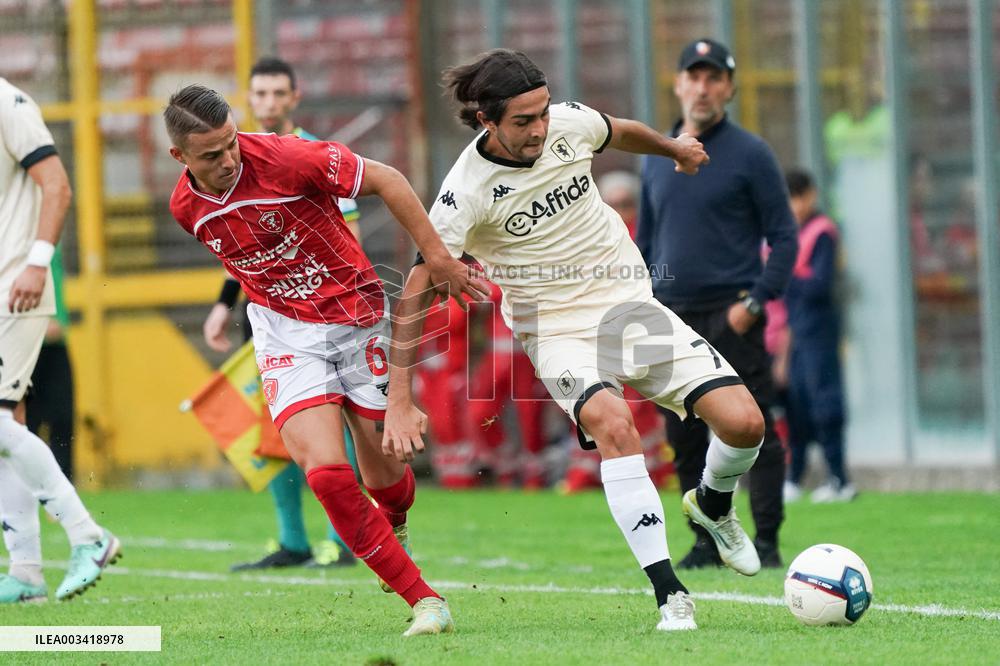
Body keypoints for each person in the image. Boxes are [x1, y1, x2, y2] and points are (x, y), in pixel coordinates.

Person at [382, 49, 767, 632]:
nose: (540, 128)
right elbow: (415, 290)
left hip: (630, 309)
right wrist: (399, 397)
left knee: (745, 424)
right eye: (523, 121)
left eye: (542, 113)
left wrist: (674, 148)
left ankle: (712, 503)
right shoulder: (465, 192)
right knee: (614, 423)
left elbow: (616, 131)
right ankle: (670, 594)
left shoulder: (565, 123)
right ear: (487, 120)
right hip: (555, 329)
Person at [165, 84, 486, 635]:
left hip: (356, 317)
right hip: (286, 338)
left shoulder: (287, 156)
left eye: (231, 144)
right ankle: (426, 600)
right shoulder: (185, 209)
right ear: (180, 158)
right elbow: (244, 256)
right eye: (211, 155)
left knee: (387, 475)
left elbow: (390, 179)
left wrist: (439, 259)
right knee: (329, 476)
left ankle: (395, 519)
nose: (227, 160)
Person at [637, 38, 798, 570]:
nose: (702, 88)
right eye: (694, 76)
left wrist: (754, 303)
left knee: (755, 431)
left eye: (714, 78)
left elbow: (785, 238)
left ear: (728, 87)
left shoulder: (751, 153)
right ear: (679, 83)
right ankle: (704, 543)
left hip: (732, 312)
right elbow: (647, 242)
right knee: (683, 435)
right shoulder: (658, 157)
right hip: (672, 315)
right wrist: (640, 303)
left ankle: (768, 541)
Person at [201, 57, 362, 572]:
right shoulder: (231, 161)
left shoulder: (312, 155)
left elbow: (347, 237)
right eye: (260, 94)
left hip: (322, 314)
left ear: (295, 98)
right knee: (274, 428)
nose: (268, 103)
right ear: (249, 99)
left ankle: (349, 540)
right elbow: (244, 245)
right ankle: (293, 540)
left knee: (336, 427)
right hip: (268, 318)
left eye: (277, 94)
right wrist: (224, 306)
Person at [0, 77, 121, 603]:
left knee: (0, 424)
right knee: (4, 433)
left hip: (18, 287)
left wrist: (36, 263)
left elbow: (58, 185)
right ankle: (26, 573)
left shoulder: (8, 102)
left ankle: (89, 536)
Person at [781, 168, 855, 503]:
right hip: (797, 330)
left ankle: (840, 479)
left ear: (810, 195)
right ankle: (795, 478)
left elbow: (820, 285)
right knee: (797, 405)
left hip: (820, 330)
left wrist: (788, 276)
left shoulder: (823, 232)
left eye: (798, 197)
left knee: (826, 404)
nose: (794, 205)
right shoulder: (790, 234)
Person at [26, 243, 75, 481]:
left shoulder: (48, 243)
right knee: (25, 422)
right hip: (22, 346)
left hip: (54, 344)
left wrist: (56, 319)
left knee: (62, 418)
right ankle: (26, 488)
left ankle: (62, 486)